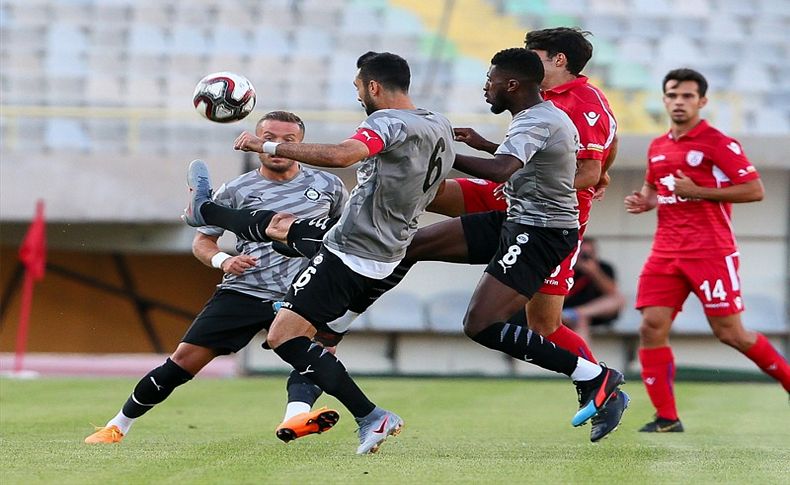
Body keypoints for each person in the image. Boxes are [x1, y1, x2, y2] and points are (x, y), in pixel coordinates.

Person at [186, 48, 627, 450]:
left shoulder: (535, 119)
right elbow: (526, 162)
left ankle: (594, 376)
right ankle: (331, 328)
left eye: (490, 79)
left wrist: (268, 144)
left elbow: (499, 171)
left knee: (481, 325)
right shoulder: (521, 118)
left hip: (538, 230)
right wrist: (437, 140)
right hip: (509, 220)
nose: (485, 86)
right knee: (408, 245)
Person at [84, 111, 348, 444]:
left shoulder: (329, 185)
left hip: (303, 293)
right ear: (255, 141)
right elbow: (202, 241)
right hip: (245, 290)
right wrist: (223, 260)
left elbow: (341, 236)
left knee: (317, 356)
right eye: (269, 137)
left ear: (301, 145)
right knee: (183, 362)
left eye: (288, 140)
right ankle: (117, 425)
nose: (276, 146)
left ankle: (295, 418)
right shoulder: (237, 189)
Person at [427, 27, 627, 442]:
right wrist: (486, 146)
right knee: (426, 192)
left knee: (543, 321)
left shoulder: (584, 103)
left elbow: (589, 167)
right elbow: (602, 145)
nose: (524, 58)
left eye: (533, 53)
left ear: (558, 60)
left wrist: (599, 175)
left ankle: (599, 389)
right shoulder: (542, 100)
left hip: (548, 218)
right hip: (513, 196)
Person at [624, 68, 790, 432]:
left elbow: (754, 190)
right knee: (651, 326)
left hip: (711, 251)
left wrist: (697, 191)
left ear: (702, 101)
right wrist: (645, 200)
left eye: (687, 96)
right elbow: (655, 187)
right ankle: (667, 418)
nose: (679, 102)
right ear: (664, 99)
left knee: (730, 333)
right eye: (672, 95)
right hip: (665, 251)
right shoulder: (658, 146)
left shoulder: (718, 143)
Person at [560, 238, 625, 341]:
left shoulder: (604, 267)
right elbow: (559, 296)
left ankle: (578, 312)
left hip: (595, 312)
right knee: (581, 320)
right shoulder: (567, 269)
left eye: (589, 254)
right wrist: (575, 270)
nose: (586, 258)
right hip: (566, 313)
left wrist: (594, 272)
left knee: (618, 299)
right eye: (583, 254)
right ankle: (582, 356)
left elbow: (611, 292)